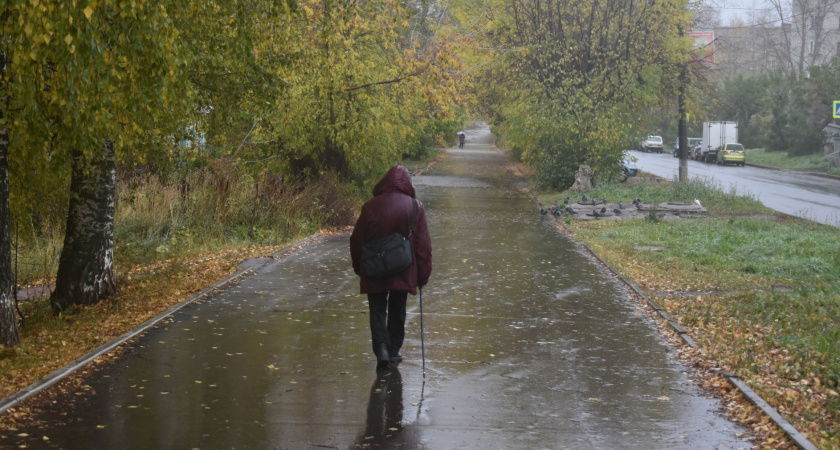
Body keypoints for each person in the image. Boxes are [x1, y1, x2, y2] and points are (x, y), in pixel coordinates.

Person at [350, 165, 432, 371]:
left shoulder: (370, 206)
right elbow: (423, 245)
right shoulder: (415, 207)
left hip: (374, 267)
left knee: (377, 309)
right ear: (407, 184)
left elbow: (357, 240)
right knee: (398, 309)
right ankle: (394, 350)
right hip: (403, 267)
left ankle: (382, 350)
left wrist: (358, 266)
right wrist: (423, 274)